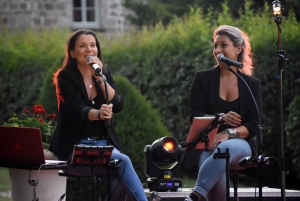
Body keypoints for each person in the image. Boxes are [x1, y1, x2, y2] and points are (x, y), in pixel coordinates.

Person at [49, 29, 148, 201]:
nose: (89, 50)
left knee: (118, 179)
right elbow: (79, 109)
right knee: (123, 161)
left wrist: (100, 77)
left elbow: (117, 105)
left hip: (103, 143)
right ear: (72, 53)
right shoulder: (64, 77)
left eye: (93, 45)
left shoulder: (103, 74)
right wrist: (99, 114)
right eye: (82, 46)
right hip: (74, 144)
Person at [184, 25, 262, 201]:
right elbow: (194, 115)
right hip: (208, 142)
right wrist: (220, 119)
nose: (217, 50)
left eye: (223, 45)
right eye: (215, 46)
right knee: (212, 164)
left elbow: (253, 124)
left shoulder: (251, 84)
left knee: (224, 149)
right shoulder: (203, 79)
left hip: (241, 144)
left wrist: (228, 132)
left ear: (238, 48)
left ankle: (195, 196)